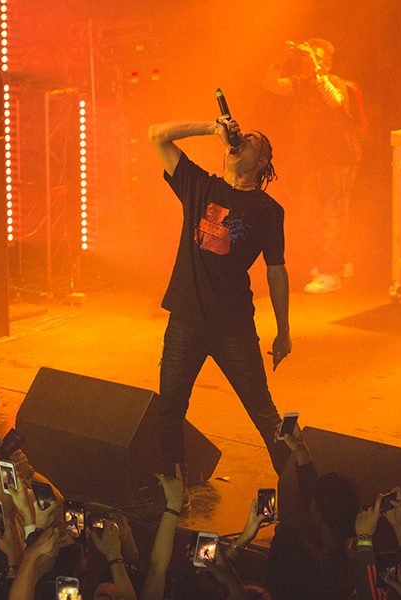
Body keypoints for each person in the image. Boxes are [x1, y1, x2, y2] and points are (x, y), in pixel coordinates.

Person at [147, 113, 292, 487]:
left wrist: (284, 330)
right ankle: (173, 492)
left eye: (252, 141)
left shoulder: (268, 210)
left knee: (264, 415)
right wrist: (212, 128)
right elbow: (158, 134)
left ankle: (303, 488)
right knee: (170, 410)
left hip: (233, 327)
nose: (242, 140)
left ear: (262, 161)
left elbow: (276, 270)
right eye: (241, 137)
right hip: (186, 321)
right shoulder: (199, 185)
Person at [264, 38, 365, 294]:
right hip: (313, 159)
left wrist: (318, 72)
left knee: (333, 214)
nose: (307, 62)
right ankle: (340, 260)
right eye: (305, 58)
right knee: (310, 213)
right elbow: (271, 85)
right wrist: (282, 59)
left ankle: (330, 273)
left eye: (314, 58)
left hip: (340, 159)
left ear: (326, 63)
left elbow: (335, 101)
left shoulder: (335, 83)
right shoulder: (299, 84)